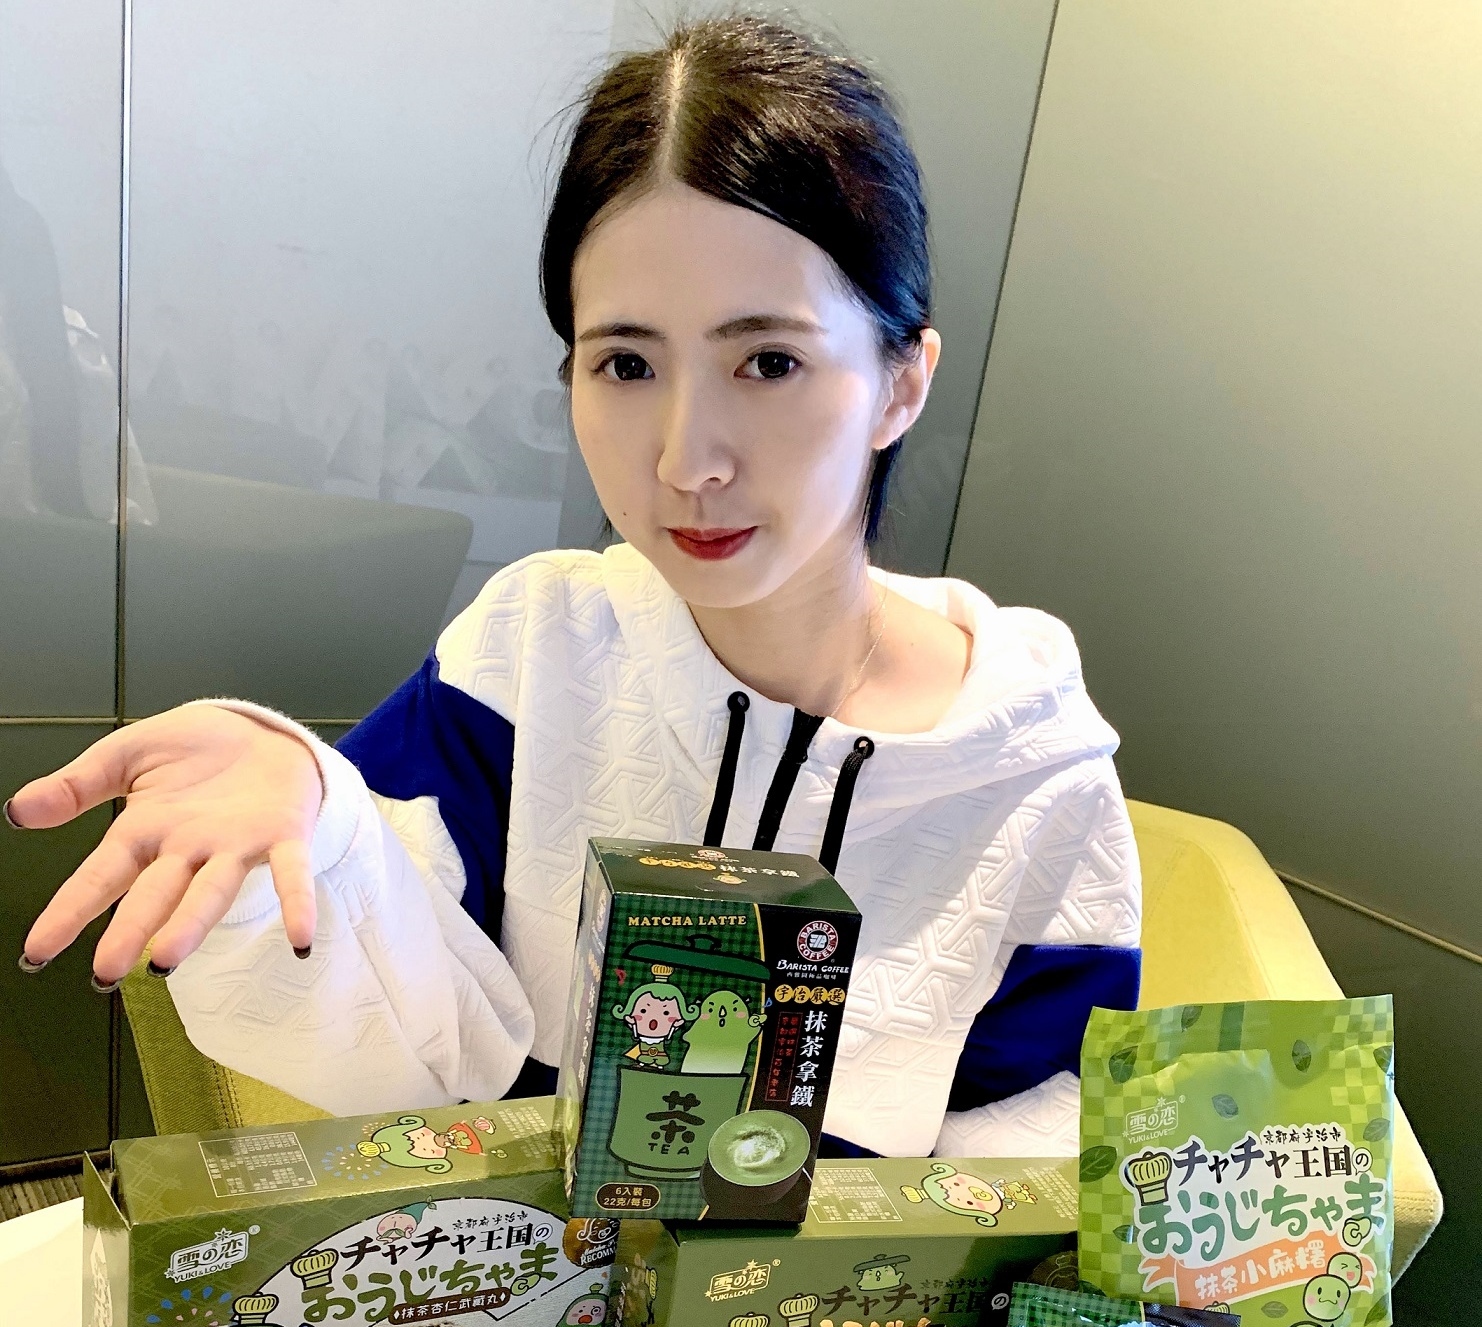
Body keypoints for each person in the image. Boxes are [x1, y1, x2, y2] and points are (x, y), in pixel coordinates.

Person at [7, 13, 1140, 1159]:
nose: (686, 460)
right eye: (627, 363)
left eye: (769, 361)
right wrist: (305, 810)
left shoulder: (1030, 778)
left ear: (901, 384)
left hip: (845, 1287)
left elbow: (1028, 1168)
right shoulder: (536, 649)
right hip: (516, 1275)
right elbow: (405, 1031)